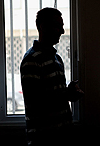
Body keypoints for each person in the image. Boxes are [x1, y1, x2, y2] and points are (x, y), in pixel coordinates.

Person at [20, 7, 84, 146]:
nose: (62, 31)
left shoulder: (57, 58)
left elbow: (53, 94)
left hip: (61, 137)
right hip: (43, 139)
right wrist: (66, 94)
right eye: (58, 26)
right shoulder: (32, 59)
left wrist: (69, 92)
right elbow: (35, 102)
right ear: (42, 27)